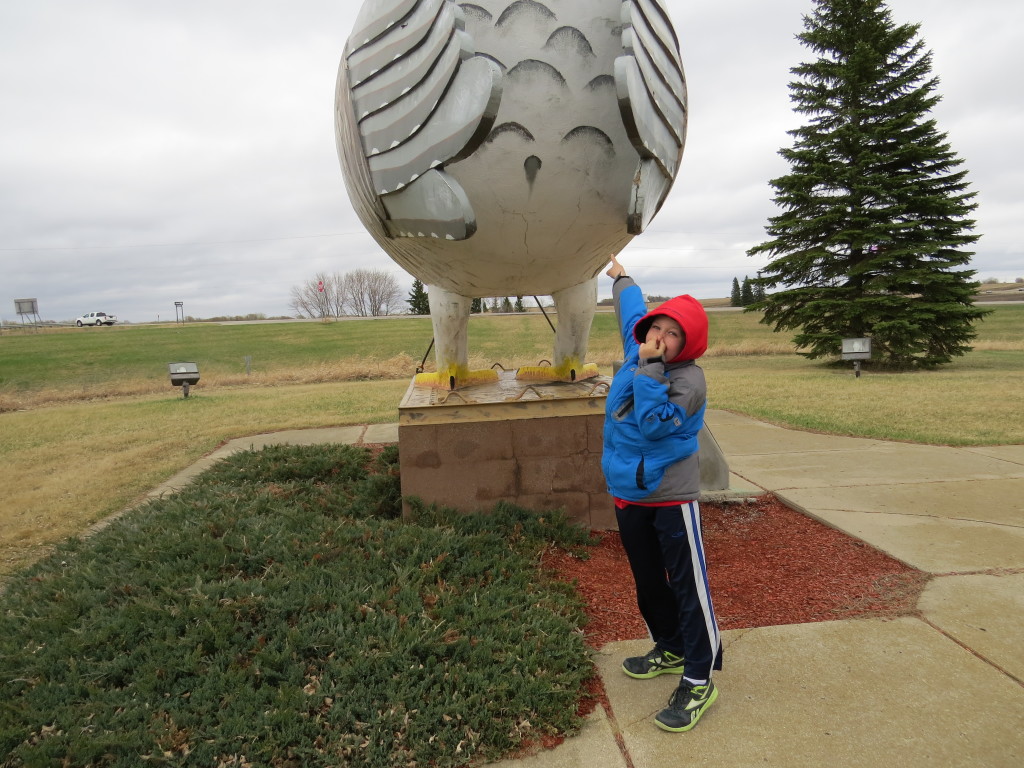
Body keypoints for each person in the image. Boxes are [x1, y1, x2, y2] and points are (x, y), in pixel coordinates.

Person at [601, 254, 723, 733]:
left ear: (687, 343)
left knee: (688, 588)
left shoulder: (688, 380)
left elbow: (653, 427)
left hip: (670, 496)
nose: (659, 337)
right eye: (658, 329)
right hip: (628, 492)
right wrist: (622, 278)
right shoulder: (642, 346)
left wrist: (649, 369)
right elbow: (632, 312)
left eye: (673, 334)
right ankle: (669, 646)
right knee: (649, 580)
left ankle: (698, 677)